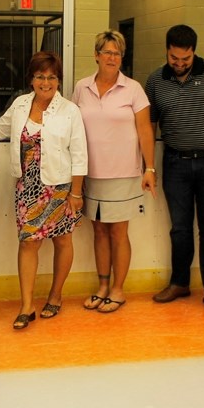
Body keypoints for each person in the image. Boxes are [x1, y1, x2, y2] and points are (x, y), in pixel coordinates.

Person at [144, 24, 204, 316]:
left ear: (194, 52)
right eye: (174, 58)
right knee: (180, 229)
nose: (180, 64)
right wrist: (148, 164)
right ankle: (179, 283)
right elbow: (148, 124)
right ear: (167, 51)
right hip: (175, 163)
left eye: (185, 59)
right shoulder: (155, 80)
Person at [0, 51, 87, 330]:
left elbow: (80, 154)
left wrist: (76, 194)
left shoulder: (70, 110)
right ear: (31, 79)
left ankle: (55, 296)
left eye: (52, 77)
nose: (46, 82)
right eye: (40, 76)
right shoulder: (20, 105)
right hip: (27, 187)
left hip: (60, 186)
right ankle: (26, 306)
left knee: (63, 241)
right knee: (28, 243)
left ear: (59, 80)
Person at [71, 30, 157, 314]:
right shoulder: (81, 88)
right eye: (107, 52)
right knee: (99, 231)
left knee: (119, 232)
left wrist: (149, 167)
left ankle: (118, 290)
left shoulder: (133, 89)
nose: (112, 58)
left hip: (124, 173)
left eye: (117, 53)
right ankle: (103, 286)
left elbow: (145, 130)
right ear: (96, 55)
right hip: (90, 173)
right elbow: (72, 128)